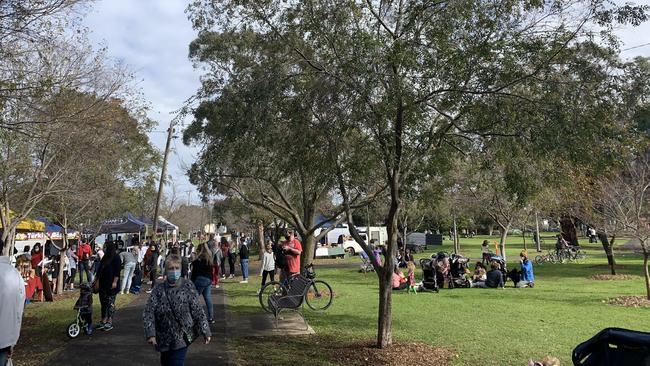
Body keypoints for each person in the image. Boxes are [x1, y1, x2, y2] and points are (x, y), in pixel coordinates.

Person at [143, 254, 211, 366]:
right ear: (165, 270)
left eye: (176, 268)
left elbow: (197, 310)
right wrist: (151, 334)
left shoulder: (188, 286)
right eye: (170, 268)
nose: (174, 271)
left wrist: (205, 330)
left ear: (180, 269)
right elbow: (148, 311)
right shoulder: (158, 289)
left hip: (182, 337)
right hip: (163, 338)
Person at [0, 255, 26, 365]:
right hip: (5, 338)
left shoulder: (13, 274)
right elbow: (18, 311)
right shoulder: (15, 275)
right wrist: (12, 340)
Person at [95, 242, 121, 331]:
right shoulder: (105, 258)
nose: (104, 249)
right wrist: (97, 280)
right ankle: (103, 320)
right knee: (103, 303)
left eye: (105, 247)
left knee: (110, 303)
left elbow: (117, 271)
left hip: (111, 284)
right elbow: (99, 270)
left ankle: (110, 321)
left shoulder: (116, 257)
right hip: (103, 284)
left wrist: (115, 282)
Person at [190, 244, 215, 324]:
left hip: (200, 279)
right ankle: (211, 317)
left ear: (199, 250)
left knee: (194, 298)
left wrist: (191, 283)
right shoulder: (209, 259)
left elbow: (194, 273)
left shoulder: (198, 261)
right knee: (208, 298)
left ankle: (195, 317)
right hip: (208, 280)